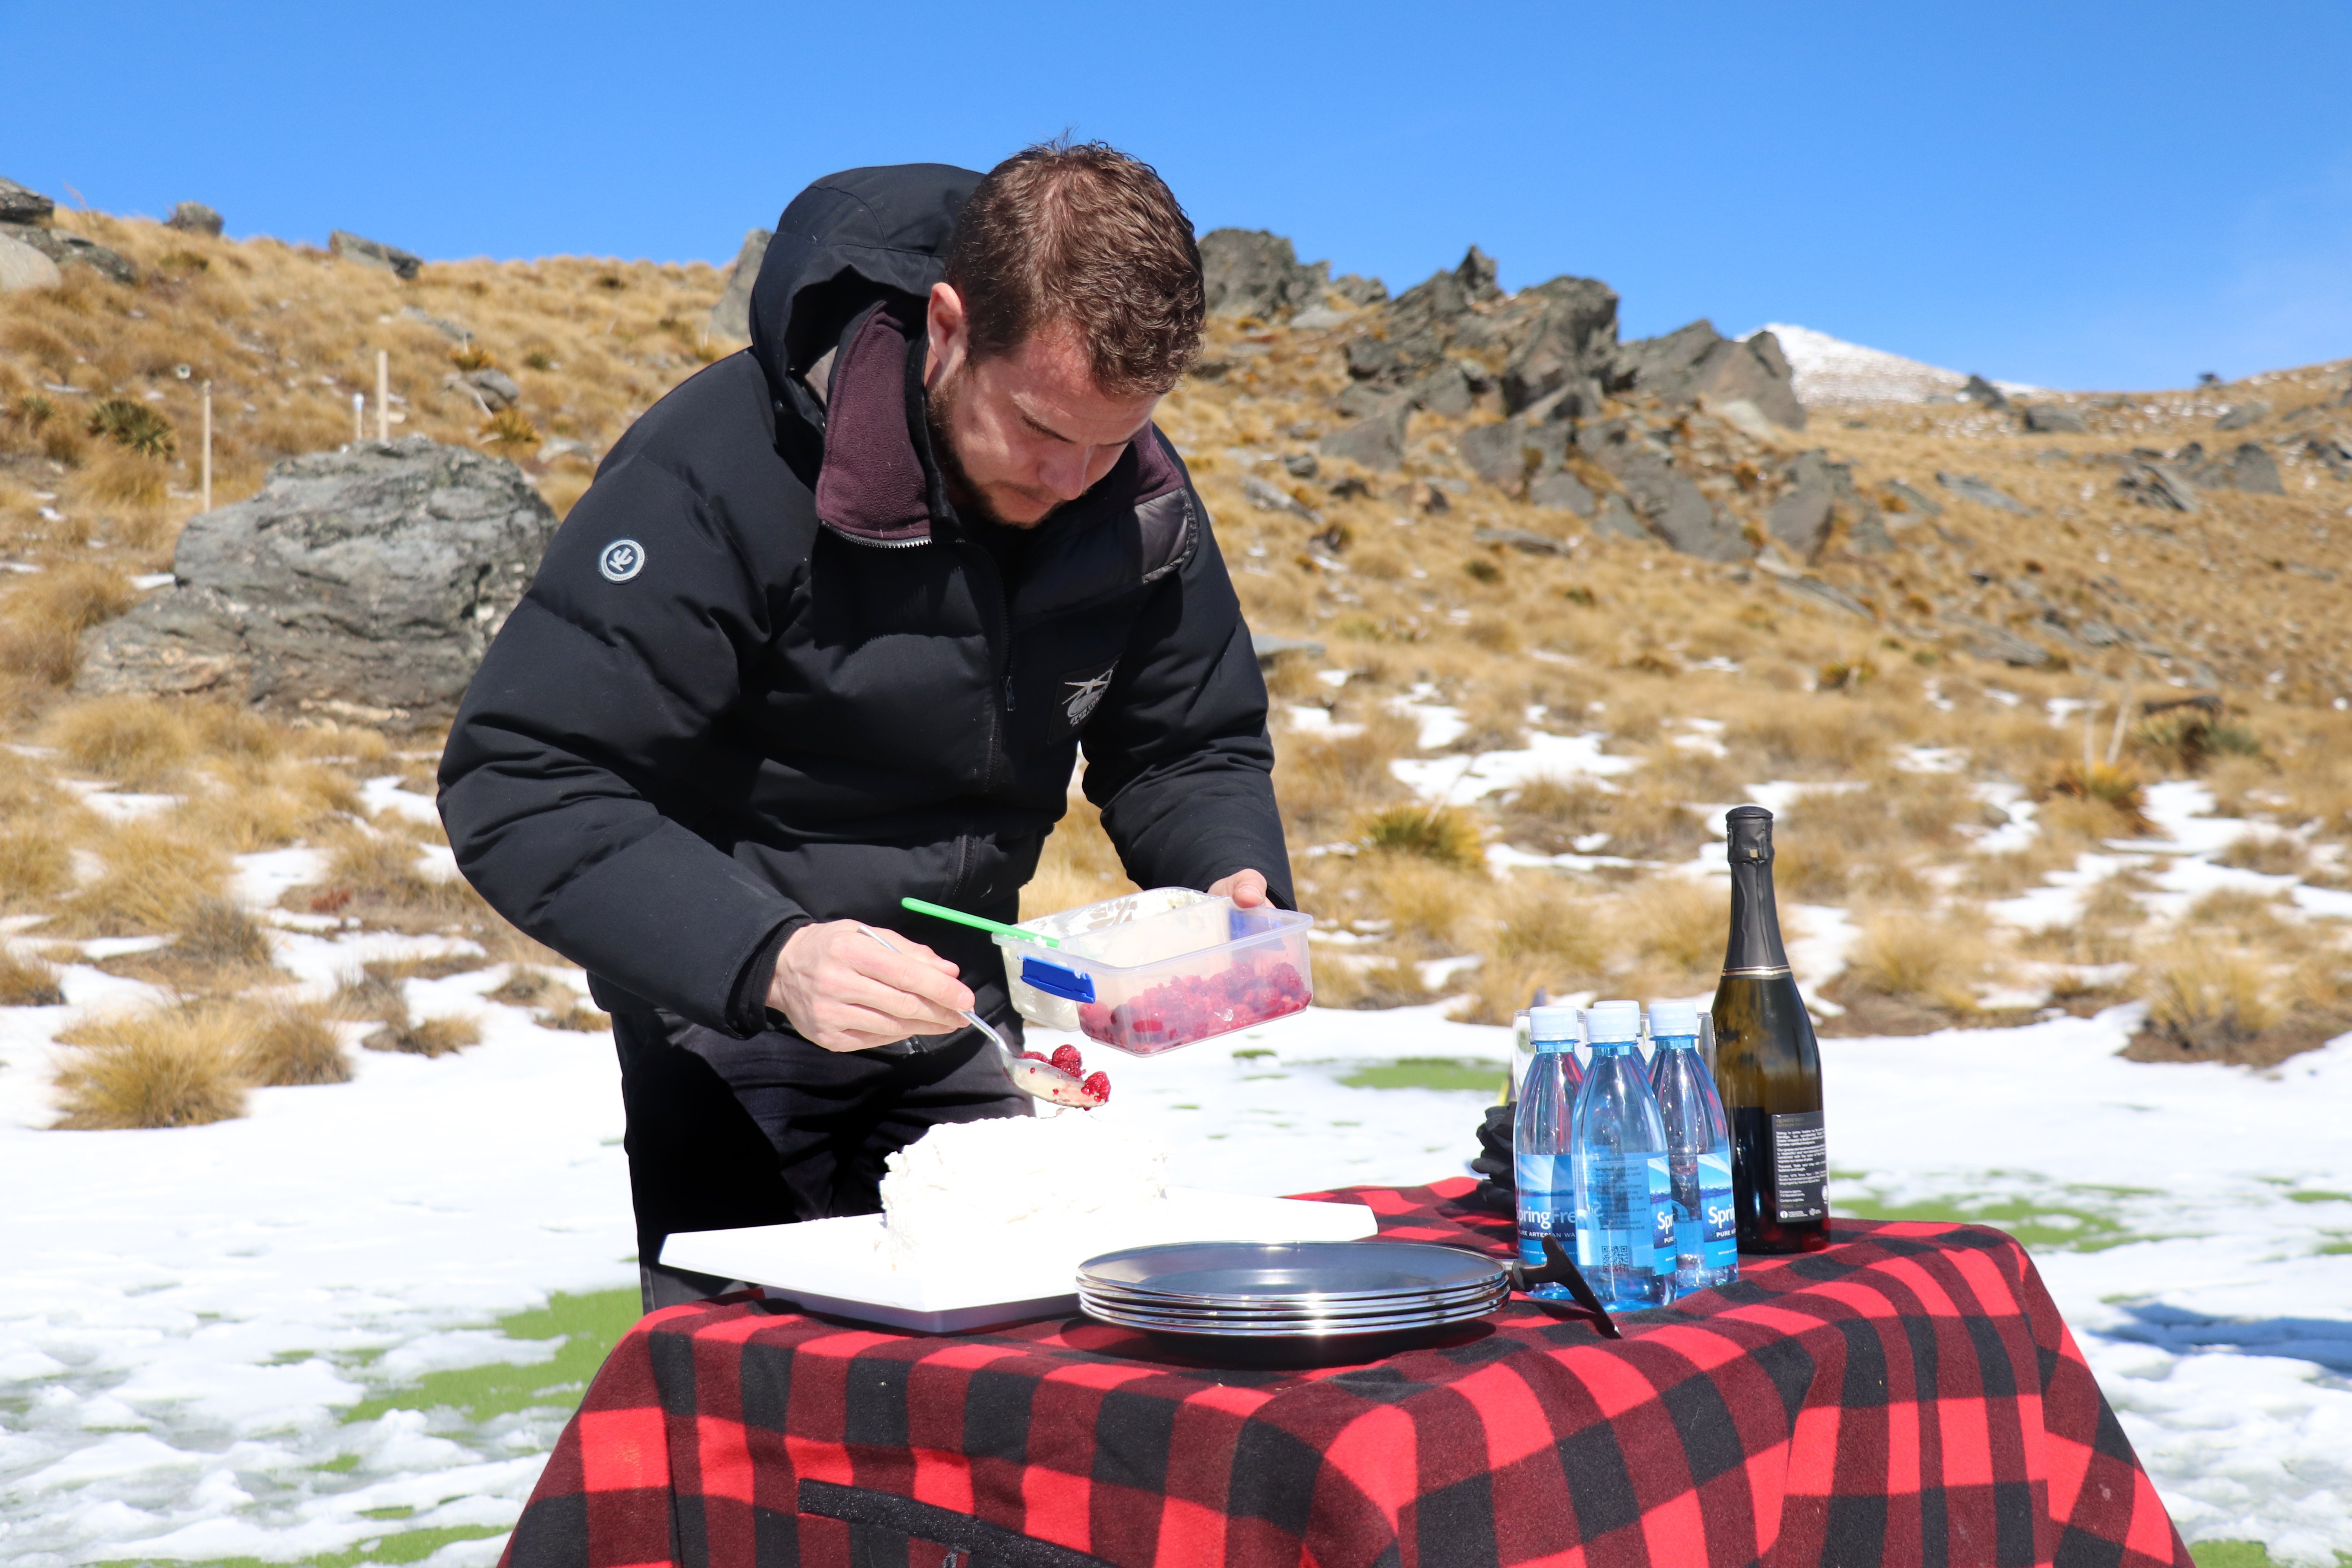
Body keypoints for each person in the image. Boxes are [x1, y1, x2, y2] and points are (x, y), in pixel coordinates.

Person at [438, 144, 1292, 1309]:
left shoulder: (1129, 488)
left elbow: (1187, 742)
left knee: (1013, 1393)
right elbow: (524, 775)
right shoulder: (722, 465)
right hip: (734, 1023)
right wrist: (773, 959)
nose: (1076, 475)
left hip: (961, 1009)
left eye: (1115, 435)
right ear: (948, 327)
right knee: (764, 1422)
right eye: (1041, 426)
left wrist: (1225, 875)